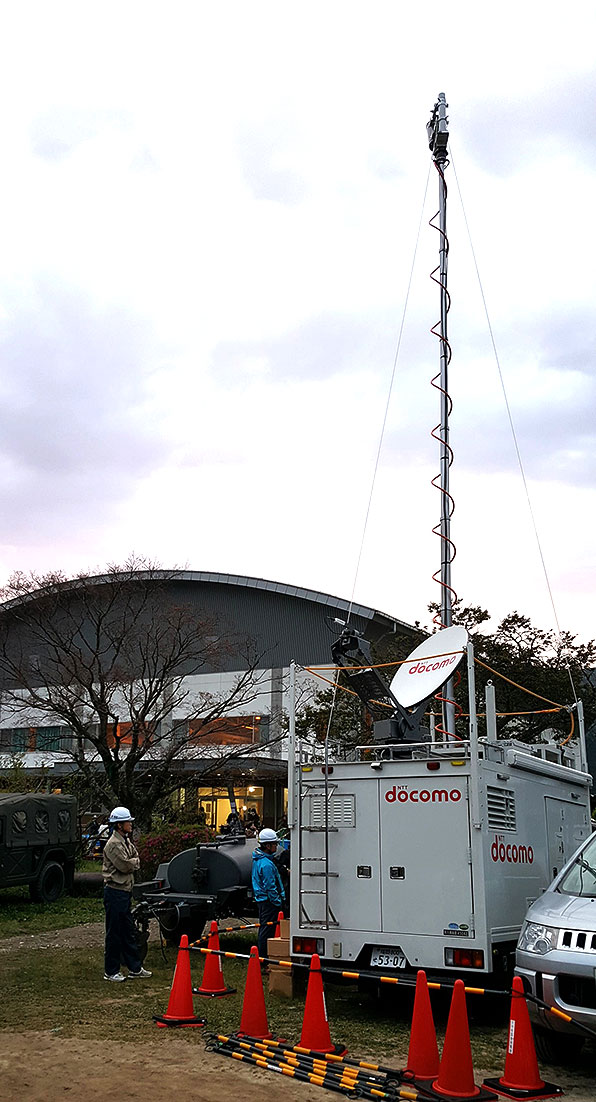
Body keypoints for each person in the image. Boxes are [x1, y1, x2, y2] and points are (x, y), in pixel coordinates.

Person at [102, 806, 152, 982]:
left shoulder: (125, 841)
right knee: (114, 933)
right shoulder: (114, 844)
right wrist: (134, 862)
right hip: (115, 892)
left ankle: (134, 968)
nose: (130, 824)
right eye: (127, 821)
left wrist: (133, 861)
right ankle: (111, 971)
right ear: (118, 824)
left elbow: (134, 857)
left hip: (123, 892)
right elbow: (126, 865)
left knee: (128, 931)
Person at [252, 828, 285, 970]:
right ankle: (263, 961)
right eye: (274, 844)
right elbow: (270, 887)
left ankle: (263, 959)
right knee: (267, 931)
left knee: (265, 929)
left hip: (263, 900)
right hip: (268, 902)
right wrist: (278, 902)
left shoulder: (261, 860)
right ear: (267, 845)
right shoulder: (266, 864)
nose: (276, 847)